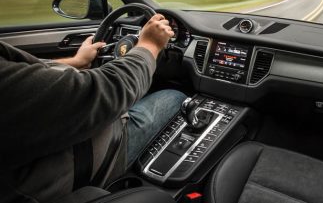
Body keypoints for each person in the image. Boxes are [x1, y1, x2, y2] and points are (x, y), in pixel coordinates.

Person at [0, 14, 187, 203]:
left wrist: (76, 62)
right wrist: (149, 46)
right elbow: (108, 91)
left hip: (40, 157)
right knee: (174, 97)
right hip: (75, 163)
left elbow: (23, 73)